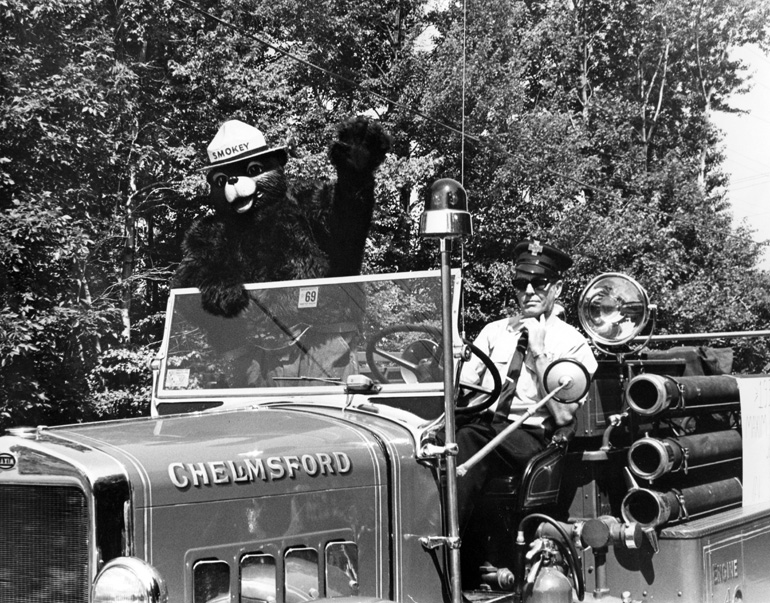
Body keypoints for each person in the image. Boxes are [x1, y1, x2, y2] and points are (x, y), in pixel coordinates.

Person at [455, 239, 598, 533]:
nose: (529, 291)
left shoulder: (573, 344)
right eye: (521, 283)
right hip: (484, 423)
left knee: (466, 438)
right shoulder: (494, 331)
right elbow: (464, 387)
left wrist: (538, 352)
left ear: (557, 288)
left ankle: (445, 545)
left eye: (540, 283)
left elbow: (563, 415)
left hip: (530, 435)